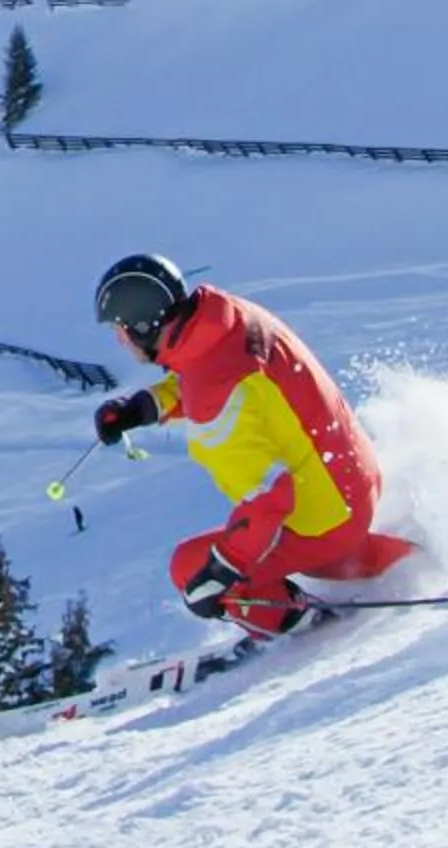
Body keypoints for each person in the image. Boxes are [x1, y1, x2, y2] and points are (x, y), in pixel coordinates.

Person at [88, 253, 417, 639]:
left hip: (327, 514)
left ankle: (300, 628)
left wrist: (218, 574)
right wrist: (143, 407)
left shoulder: (212, 395)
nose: (118, 338)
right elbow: (227, 382)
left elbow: (268, 498)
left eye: (122, 327)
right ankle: (411, 561)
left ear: (147, 324)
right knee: (311, 550)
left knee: (190, 568)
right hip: (352, 474)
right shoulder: (225, 321)